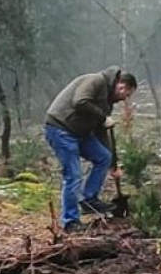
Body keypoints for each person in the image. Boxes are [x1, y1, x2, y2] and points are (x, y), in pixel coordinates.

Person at [43, 67, 139, 232]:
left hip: (81, 133)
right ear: (122, 86)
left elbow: (101, 132)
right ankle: (70, 222)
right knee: (73, 175)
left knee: (103, 157)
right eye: (127, 94)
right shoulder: (95, 80)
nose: (125, 99)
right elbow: (80, 101)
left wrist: (113, 165)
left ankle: (89, 199)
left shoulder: (107, 102)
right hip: (61, 129)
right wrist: (102, 117)